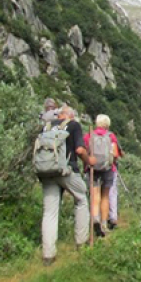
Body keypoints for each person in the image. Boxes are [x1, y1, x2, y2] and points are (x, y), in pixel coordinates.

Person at [39, 104, 94, 265]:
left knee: (49, 212)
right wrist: (88, 160)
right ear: (69, 115)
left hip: (47, 171)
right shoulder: (74, 125)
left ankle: (48, 255)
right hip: (67, 170)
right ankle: (81, 242)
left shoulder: (47, 126)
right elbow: (79, 150)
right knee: (82, 198)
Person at [84, 114, 120, 238]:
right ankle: (104, 224)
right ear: (107, 124)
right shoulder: (111, 136)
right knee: (105, 196)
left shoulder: (89, 135)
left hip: (93, 169)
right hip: (108, 169)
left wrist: (88, 162)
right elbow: (115, 154)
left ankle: (95, 219)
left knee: (95, 196)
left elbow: (85, 151)